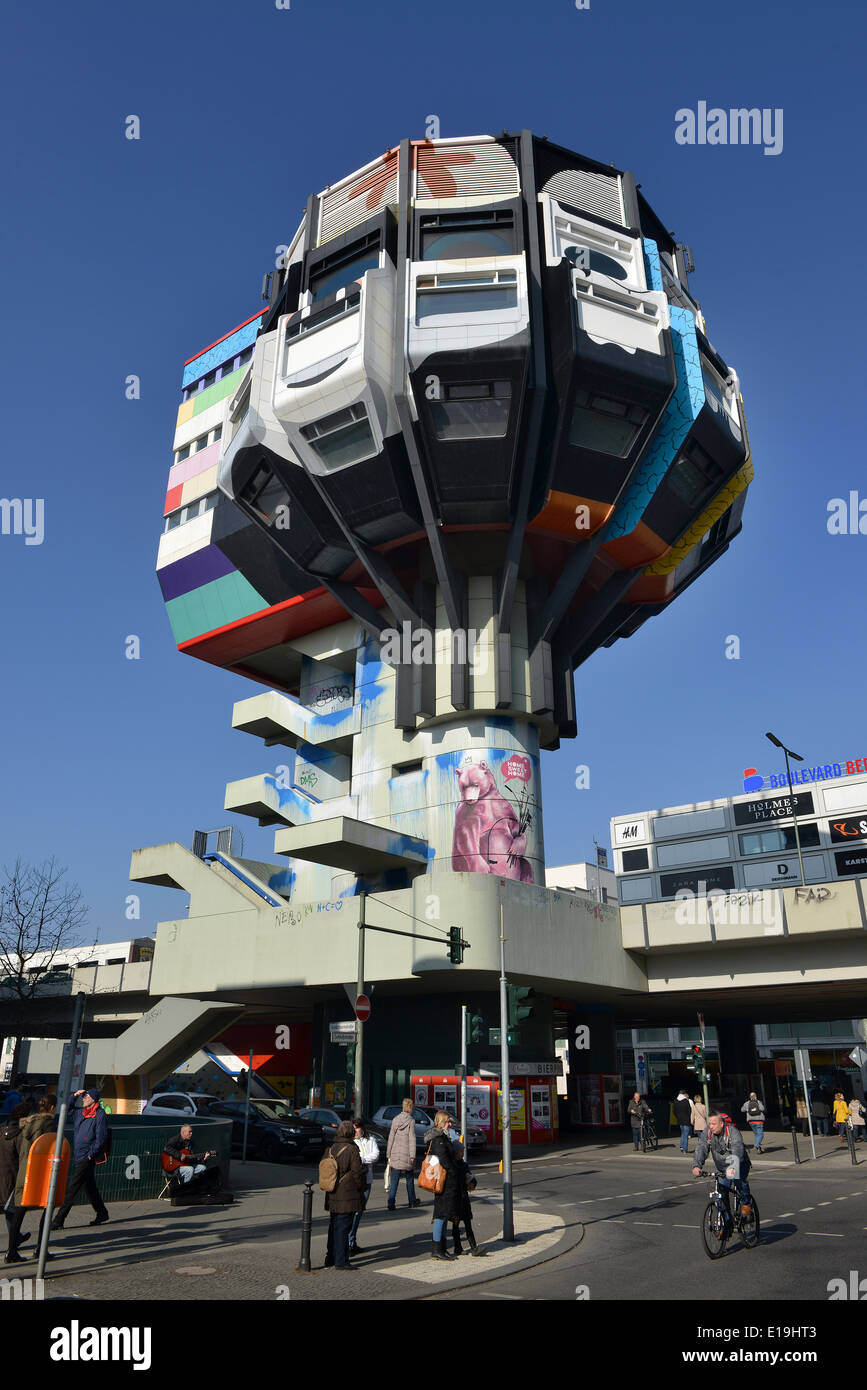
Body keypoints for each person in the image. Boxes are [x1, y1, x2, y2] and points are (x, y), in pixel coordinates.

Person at [5, 1094, 57, 1264]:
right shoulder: (48, 1123)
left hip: (23, 1173)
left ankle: (11, 1251)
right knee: (47, 1208)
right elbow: (46, 1148)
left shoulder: (26, 1123)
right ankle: (41, 1250)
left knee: (19, 1210)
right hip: (40, 1173)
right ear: (52, 1108)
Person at [51, 1088, 109, 1230]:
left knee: (72, 1189)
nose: (83, 1099)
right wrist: (74, 1095)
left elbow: (101, 1138)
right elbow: (67, 1108)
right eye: (82, 1097)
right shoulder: (80, 1113)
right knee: (90, 1187)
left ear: (93, 1099)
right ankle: (102, 1213)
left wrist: (90, 1154)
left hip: (86, 1157)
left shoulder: (100, 1115)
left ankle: (58, 1220)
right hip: (78, 1155)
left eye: (85, 1096)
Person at [691, 1109, 753, 1217]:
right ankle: (726, 1224)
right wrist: (696, 1165)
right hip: (722, 1167)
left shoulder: (732, 1131)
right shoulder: (708, 1132)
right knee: (721, 1194)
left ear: (721, 1123)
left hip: (738, 1164)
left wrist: (733, 1167)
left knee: (740, 1182)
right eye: (709, 1123)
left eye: (714, 1124)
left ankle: (746, 1204)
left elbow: (737, 1148)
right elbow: (702, 1147)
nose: (711, 1126)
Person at [323, 1119, 364, 1271]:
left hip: (332, 1191)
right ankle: (341, 1260)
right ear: (350, 1133)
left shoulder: (332, 1147)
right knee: (343, 1227)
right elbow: (357, 1173)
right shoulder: (351, 1149)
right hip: (347, 1194)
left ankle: (330, 1257)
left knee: (333, 1225)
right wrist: (361, 1187)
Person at [427, 1110, 460, 1261]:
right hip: (443, 1181)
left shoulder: (442, 1137)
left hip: (446, 1181)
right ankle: (437, 1249)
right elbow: (444, 1159)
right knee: (440, 1215)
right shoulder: (439, 1139)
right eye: (448, 1122)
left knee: (444, 1214)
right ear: (441, 1123)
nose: (450, 1124)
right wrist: (453, 1171)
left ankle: (442, 1248)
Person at [0, 1103, 33, 1253]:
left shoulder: (2, 1130)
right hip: (12, 1176)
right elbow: (23, 1157)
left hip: (2, 1174)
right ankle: (14, 1242)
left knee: (9, 1209)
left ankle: (16, 1237)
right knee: (12, 1209)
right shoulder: (20, 1136)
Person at [348, 1117, 379, 1256]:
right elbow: (353, 1160)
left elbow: (376, 1155)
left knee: (359, 1212)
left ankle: (352, 1241)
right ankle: (348, 1242)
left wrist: (363, 1159)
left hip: (367, 1180)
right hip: (355, 1181)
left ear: (362, 1128)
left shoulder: (370, 1140)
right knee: (353, 1212)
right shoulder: (350, 1142)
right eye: (353, 1128)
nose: (355, 1131)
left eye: (357, 1128)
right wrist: (363, 1158)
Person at [450, 1141, 486, 1257]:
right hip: (455, 1199)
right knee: (456, 1224)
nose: (462, 1153)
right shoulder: (452, 1166)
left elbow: (470, 1177)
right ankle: (457, 1248)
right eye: (461, 1151)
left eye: (463, 1151)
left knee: (467, 1224)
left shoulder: (463, 1165)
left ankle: (474, 1247)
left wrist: (472, 1183)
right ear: (455, 1152)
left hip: (464, 1198)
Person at [163, 1124, 223, 1193]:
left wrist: (204, 1159)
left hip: (185, 1165)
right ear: (183, 1132)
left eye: (191, 1132)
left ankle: (197, 1189)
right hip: (173, 1167)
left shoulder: (190, 1143)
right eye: (189, 1132)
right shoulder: (175, 1139)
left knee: (202, 1168)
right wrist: (179, 1155)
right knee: (190, 1169)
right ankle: (184, 1191)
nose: (191, 1134)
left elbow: (193, 1159)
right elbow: (166, 1148)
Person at [386, 1098, 421, 1210]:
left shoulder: (395, 1119)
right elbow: (412, 1139)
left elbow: (391, 1137)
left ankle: (391, 1202)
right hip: (407, 1154)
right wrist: (412, 1155)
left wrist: (388, 1153)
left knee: (394, 1179)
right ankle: (412, 1201)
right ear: (411, 1108)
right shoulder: (411, 1121)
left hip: (396, 1153)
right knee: (409, 1179)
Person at [673, 1090, 692, 1154]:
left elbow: (674, 1111)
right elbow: (689, 1111)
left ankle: (681, 1146)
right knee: (686, 1135)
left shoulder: (675, 1101)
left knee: (683, 1133)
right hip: (686, 1119)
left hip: (679, 1120)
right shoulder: (686, 1101)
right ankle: (685, 1150)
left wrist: (677, 1117)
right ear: (684, 1094)